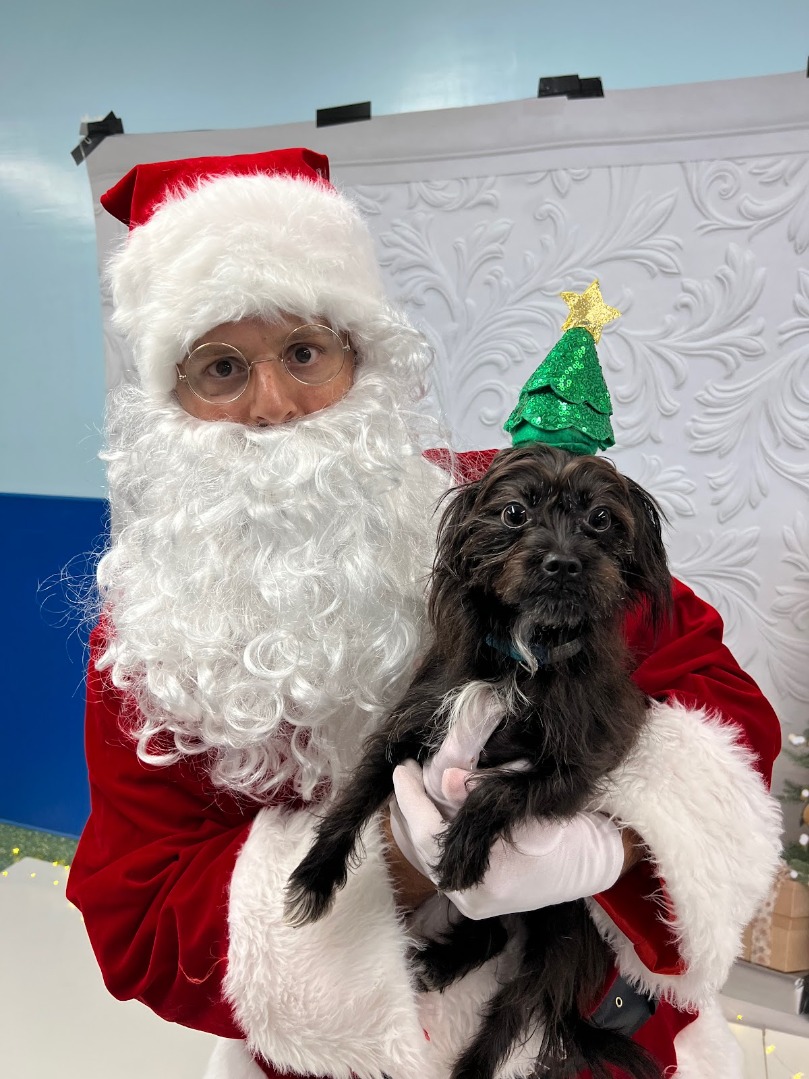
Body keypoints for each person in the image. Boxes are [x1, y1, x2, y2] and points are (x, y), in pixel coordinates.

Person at [66, 148, 783, 1079]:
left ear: (360, 358)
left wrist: (606, 842)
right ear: (174, 401)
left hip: (586, 1028)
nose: (273, 405)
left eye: (303, 353)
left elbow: (722, 704)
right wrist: (397, 861)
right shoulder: (152, 636)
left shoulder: (502, 507)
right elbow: (141, 917)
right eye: (222, 368)